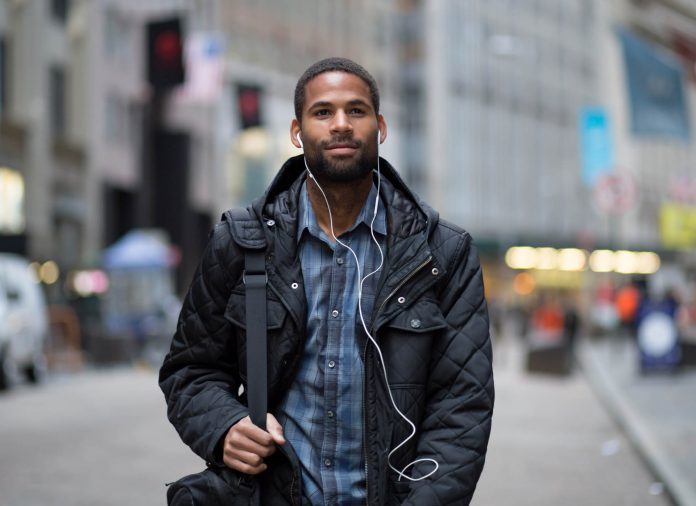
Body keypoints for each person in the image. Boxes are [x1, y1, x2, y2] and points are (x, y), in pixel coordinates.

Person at [159, 57, 494, 505]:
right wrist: (223, 426)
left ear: (381, 127)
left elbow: (462, 407)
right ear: (297, 132)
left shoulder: (443, 253)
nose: (340, 124)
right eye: (323, 112)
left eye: (356, 111)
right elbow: (191, 369)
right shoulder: (241, 243)